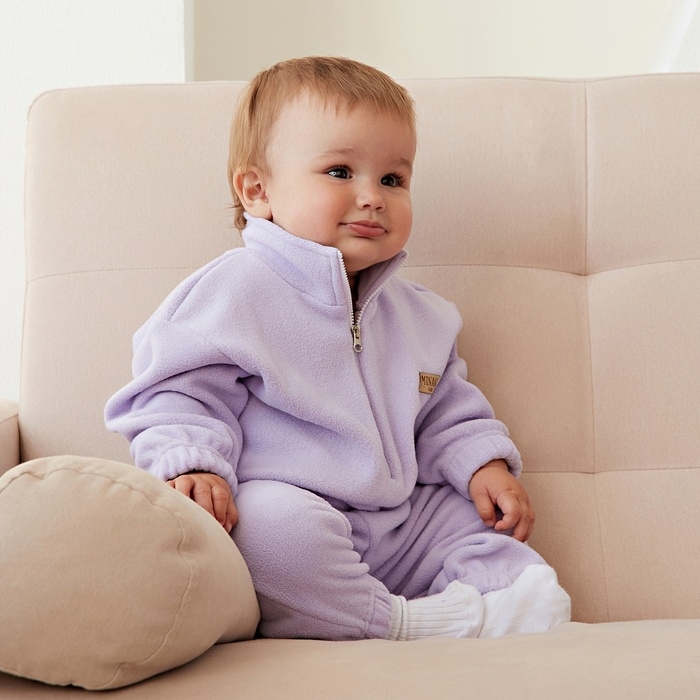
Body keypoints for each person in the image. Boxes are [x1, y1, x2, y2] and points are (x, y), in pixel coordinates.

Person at [105, 56, 570, 641]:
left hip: (399, 522)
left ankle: (508, 599)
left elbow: (446, 408)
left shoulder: (420, 316)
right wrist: (191, 462)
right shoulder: (233, 292)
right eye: (340, 172)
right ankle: (399, 624)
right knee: (271, 529)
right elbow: (175, 392)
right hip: (293, 509)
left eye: (392, 180)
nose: (372, 197)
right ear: (257, 190)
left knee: (468, 517)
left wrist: (484, 465)